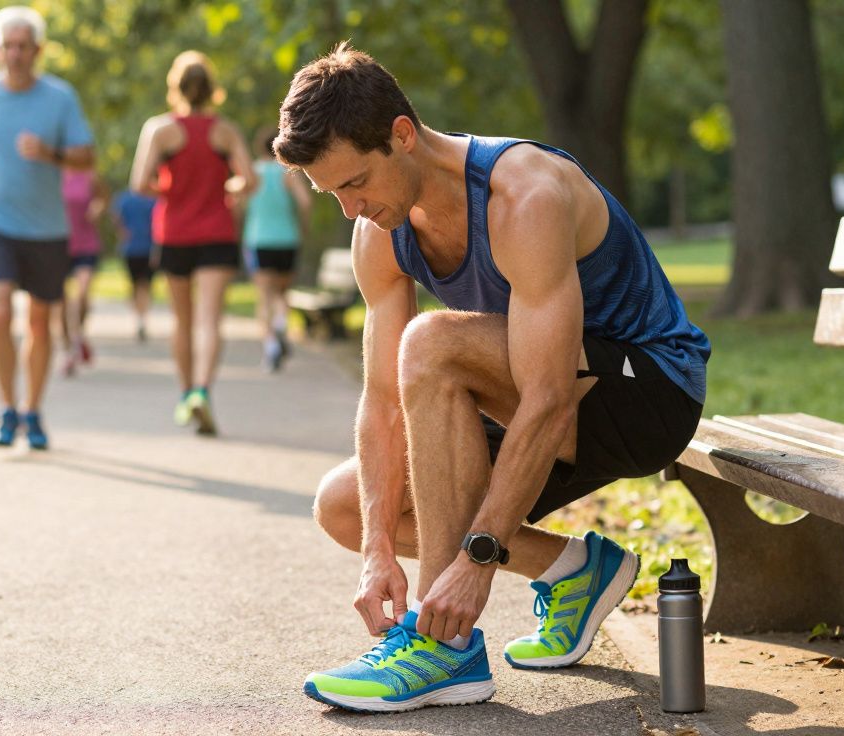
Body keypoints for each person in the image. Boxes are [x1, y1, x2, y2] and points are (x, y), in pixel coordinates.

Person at [276, 45, 711, 713]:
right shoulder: (378, 232)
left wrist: (478, 561)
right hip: (543, 398)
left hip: (647, 387)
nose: (349, 209)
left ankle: (440, 645)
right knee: (348, 504)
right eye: (332, 192)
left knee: (432, 343)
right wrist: (376, 550)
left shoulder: (523, 195)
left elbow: (549, 400)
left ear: (402, 136)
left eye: (355, 182)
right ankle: (577, 571)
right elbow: (383, 401)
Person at [0, 5, 95, 450]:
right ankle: (5, 408)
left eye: (22, 46)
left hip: (46, 227)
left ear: (37, 50)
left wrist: (48, 153)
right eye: (7, 46)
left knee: (39, 321)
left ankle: (32, 411)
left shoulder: (60, 97)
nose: (14, 54)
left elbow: (86, 157)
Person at [129, 51, 257, 436]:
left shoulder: (160, 129)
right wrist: (226, 188)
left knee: (182, 320)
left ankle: (186, 394)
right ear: (212, 89)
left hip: (175, 233)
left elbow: (139, 183)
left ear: (176, 87)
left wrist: (170, 187)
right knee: (210, 320)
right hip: (217, 233)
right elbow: (249, 180)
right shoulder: (226, 131)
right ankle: (203, 390)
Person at [242, 125, 312, 372]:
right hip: (287, 239)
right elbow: (305, 202)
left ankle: (270, 346)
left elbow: (236, 202)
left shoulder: (251, 173)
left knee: (265, 295)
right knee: (282, 293)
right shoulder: (289, 172)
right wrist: (302, 227)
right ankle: (282, 322)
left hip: (259, 240)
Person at [58, 166, 107, 376]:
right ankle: (68, 349)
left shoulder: (90, 175)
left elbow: (103, 197)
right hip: (59, 243)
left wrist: (97, 208)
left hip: (86, 243)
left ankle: (78, 334)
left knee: (83, 293)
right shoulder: (53, 175)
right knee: (60, 302)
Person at [111, 189, 158, 342]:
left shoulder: (125, 199)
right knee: (144, 285)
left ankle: (140, 318)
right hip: (144, 248)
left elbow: (115, 216)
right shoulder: (152, 198)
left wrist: (121, 232)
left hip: (136, 248)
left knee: (138, 285)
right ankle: (141, 318)